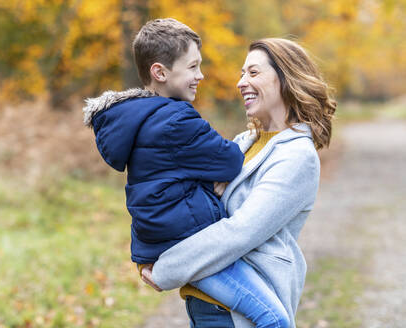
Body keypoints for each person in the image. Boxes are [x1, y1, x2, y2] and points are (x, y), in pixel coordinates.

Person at [83, 20, 295, 327]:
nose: (201, 75)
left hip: (165, 241)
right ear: (161, 72)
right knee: (276, 320)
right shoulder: (175, 120)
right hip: (195, 247)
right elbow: (230, 162)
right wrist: (226, 163)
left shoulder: (139, 119)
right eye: (193, 67)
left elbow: (161, 183)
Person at [141, 37, 336, 328]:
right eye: (242, 73)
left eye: (253, 73)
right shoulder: (243, 144)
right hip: (206, 304)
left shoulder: (297, 155)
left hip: (237, 316)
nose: (241, 82)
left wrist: (166, 268)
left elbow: (240, 231)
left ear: (285, 78)